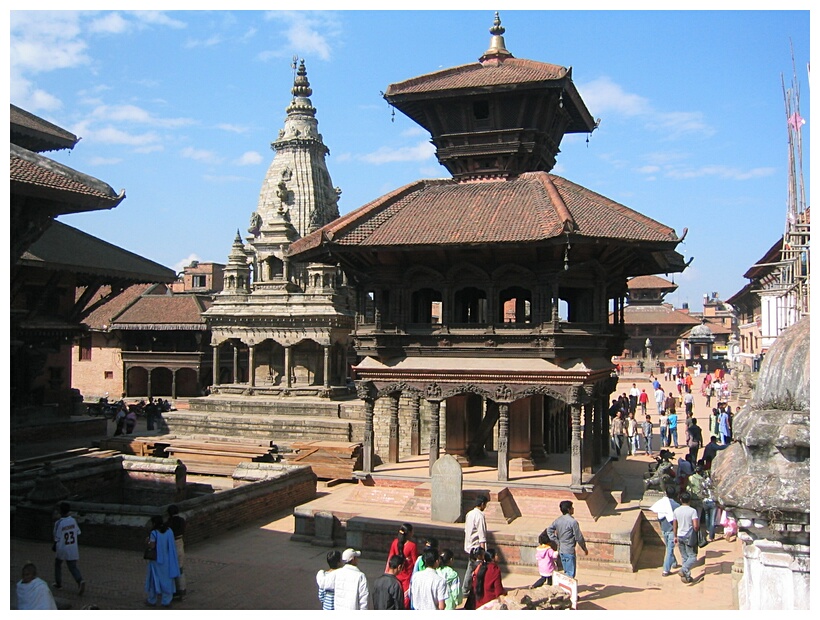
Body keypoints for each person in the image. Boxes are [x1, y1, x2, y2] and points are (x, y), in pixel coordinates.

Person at [546, 500, 588, 579]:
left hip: (561, 549)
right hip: (569, 550)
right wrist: (584, 548)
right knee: (570, 574)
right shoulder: (573, 522)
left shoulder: (558, 520)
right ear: (569, 510)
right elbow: (579, 537)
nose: (573, 509)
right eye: (572, 507)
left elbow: (549, 530)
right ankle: (569, 590)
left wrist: (556, 541)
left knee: (566, 571)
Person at [144, 514, 180, 607]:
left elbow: (152, 545)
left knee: (154, 579)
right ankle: (166, 601)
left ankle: (152, 600)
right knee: (167, 580)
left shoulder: (154, 533)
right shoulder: (169, 531)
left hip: (157, 560)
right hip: (167, 560)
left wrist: (147, 541)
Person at [52, 501, 85, 595]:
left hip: (62, 547)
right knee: (72, 566)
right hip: (72, 547)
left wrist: (54, 546)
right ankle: (80, 580)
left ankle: (58, 583)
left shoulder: (59, 523)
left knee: (58, 564)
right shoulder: (73, 520)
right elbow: (78, 532)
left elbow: (57, 538)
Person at [650, 485, 681, 577]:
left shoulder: (661, 504)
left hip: (664, 529)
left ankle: (674, 563)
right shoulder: (676, 506)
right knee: (669, 550)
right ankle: (666, 570)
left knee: (669, 548)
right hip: (672, 531)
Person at [462, 495, 488, 600]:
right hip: (477, 548)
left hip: (469, 547)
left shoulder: (469, 514)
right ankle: (479, 589)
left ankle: (465, 589)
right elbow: (482, 536)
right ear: (482, 504)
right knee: (480, 569)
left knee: (470, 568)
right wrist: (483, 553)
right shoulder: (479, 516)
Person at [386, 522, 417, 606]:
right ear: (409, 533)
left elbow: (390, 558)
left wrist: (387, 572)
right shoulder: (412, 546)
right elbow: (415, 563)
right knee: (405, 601)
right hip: (407, 577)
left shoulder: (395, 543)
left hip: (396, 575)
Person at [672, 492, 700, 584]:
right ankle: (684, 570)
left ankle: (687, 576)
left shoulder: (676, 511)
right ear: (690, 500)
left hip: (679, 535)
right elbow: (695, 526)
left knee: (684, 557)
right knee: (692, 557)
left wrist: (675, 536)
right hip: (689, 536)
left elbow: (675, 526)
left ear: (680, 500)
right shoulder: (692, 511)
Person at [166, 504, 187, 600]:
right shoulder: (182, 521)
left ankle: (174, 589)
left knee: (172, 567)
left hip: (172, 544)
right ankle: (182, 588)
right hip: (180, 542)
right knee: (180, 567)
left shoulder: (169, 523)